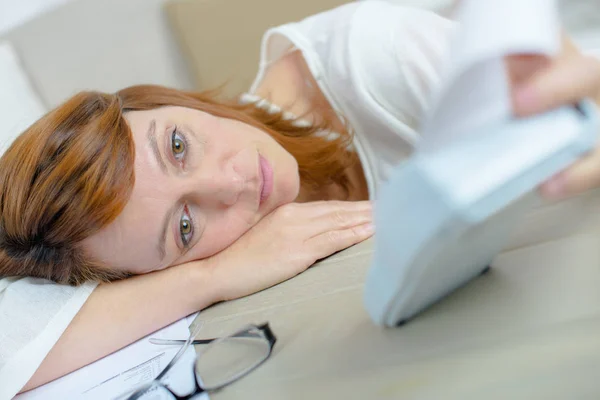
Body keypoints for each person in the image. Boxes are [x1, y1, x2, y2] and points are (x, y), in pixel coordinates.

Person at [2, 1, 600, 397]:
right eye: (185, 227)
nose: (232, 182)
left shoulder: (371, 59)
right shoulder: (192, 274)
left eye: (178, 145)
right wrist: (211, 276)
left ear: (154, 99)